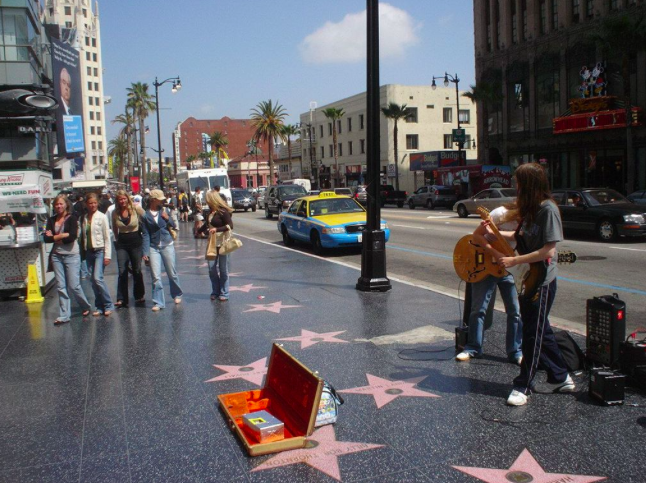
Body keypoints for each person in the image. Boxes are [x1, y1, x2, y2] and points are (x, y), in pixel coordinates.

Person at [490, 163, 574, 406]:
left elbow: (549, 249)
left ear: (529, 185)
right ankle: (561, 376)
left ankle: (523, 385)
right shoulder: (530, 209)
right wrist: (494, 233)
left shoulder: (548, 210)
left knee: (532, 334)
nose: (516, 187)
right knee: (539, 330)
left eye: (518, 182)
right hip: (529, 278)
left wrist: (514, 259)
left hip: (543, 280)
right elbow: (521, 237)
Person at [455, 205, 523, 365]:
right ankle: (473, 347)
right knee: (478, 309)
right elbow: (477, 235)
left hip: (509, 268)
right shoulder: (500, 213)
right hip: (488, 266)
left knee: (515, 311)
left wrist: (497, 234)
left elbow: (522, 236)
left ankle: (515, 351)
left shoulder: (530, 217)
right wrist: (495, 253)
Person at [44, 194, 92, 325]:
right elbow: (46, 238)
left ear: (66, 204)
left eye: (61, 204)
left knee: (74, 285)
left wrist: (54, 236)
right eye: (56, 204)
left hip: (72, 255)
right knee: (60, 286)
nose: (58, 206)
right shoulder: (51, 219)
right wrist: (61, 236)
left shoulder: (72, 218)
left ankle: (85, 305)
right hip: (56, 255)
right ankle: (64, 314)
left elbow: (72, 237)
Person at [141, 189, 183, 311]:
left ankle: (177, 294)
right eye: (160, 199)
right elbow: (145, 234)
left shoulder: (163, 211)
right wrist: (145, 252)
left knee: (171, 273)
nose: (162, 201)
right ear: (153, 200)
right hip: (153, 246)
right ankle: (158, 302)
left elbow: (174, 225)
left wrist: (167, 218)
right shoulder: (145, 215)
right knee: (156, 276)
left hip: (167, 244)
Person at [80, 192, 114, 317]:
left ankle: (108, 304)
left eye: (94, 203)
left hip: (100, 250)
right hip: (89, 252)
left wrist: (107, 255)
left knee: (98, 278)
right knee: (92, 281)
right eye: (90, 203)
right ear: (86, 204)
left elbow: (107, 237)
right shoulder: (84, 218)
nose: (93, 205)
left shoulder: (102, 217)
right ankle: (99, 306)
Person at [112, 190, 145, 308]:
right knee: (122, 270)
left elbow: (146, 218)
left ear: (127, 198)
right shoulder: (115, 213)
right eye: (120, 199)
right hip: (122, 243)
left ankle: (139, 295)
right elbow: (115, 228)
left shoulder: (136, 208)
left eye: (124, 198)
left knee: (136, 269)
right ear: (117, 201)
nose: (122, 201)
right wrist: (117, 241)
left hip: (136, 241)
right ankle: (121, 298)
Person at [198, 191, 234, 301]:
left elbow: (230, 226)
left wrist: (217, 229)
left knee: (223, 269)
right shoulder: (210, 212)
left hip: (223, 243)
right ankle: (215, 290)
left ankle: (224, 292)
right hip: (212, 243)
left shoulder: (223, 212)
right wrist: (199, 230)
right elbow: (208, 224)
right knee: (211, 269)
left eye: (208, 200)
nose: (206, 202)